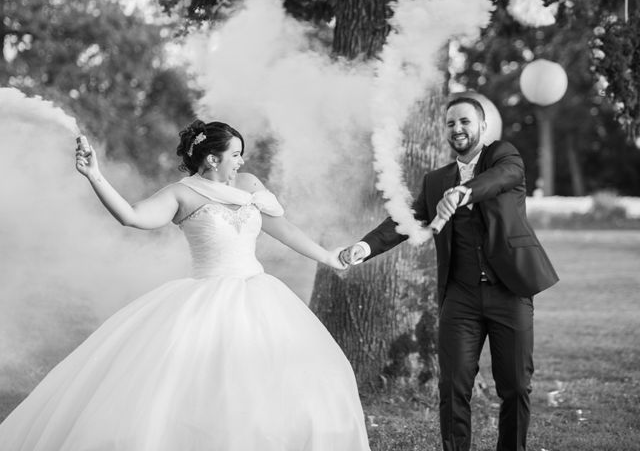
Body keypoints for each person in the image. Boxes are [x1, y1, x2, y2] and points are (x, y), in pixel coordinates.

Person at [0, 120, 371, 451]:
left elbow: (282, 229)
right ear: (212, 159)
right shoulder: (181, 194)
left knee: (295, 380)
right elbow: (132, 217)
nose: (241, 161)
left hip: (259, 293)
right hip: (206, 297)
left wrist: (328, 257)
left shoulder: (249, 185)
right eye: (236, 154)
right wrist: (94, 175)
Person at [339, 96, 558, 451]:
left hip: (509, 290)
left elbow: (501, 179)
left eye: (465, 122)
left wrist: (462, 194)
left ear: (482, 126)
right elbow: (402, 222)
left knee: (516, 386)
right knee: (453, 387)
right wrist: (364, 247)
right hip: (461, 297)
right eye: (451, 123)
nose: (457, 129)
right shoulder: (436, 180)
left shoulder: (504, 156)